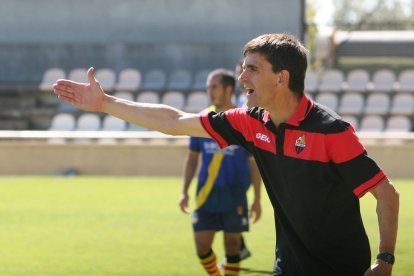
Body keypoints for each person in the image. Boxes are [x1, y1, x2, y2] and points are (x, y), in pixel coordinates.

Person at [53, 33, 399, 276]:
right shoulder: (249, 122)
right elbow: (173, 121)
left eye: (252, 69)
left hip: (343, 268)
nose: (241, 76)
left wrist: (384, 261)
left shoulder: (330, 130)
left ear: (282, 78)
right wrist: (104, 103)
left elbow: (386, 194)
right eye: (242, 67)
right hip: (289, 266)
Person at [179, 69, 262, 275]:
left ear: (228, 89)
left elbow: (254, 163)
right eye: (208, 87)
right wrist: (184, 191)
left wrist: (258, 199)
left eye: (214, 87)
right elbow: (192, 157)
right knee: (202, 246)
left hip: (234, 196)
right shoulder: (201, 119)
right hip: (206, 195)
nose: (210, 91)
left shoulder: (244, 121)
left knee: (233, 247)